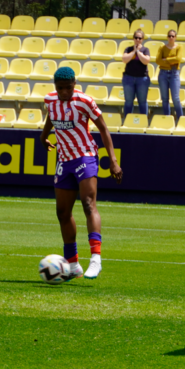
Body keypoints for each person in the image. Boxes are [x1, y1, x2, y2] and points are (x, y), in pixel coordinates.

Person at [40, 66, 122, 280]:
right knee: (62, 213)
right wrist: (43, 135)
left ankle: (96, 258)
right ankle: (73, 263)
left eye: (68, 88)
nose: (64, 92)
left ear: (74, 84)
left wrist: (113, 161)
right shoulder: (50, 99)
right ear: (55, 87)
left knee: (88, 203)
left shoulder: (84, 101)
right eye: (60, 88)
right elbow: (52, 117)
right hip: (63, 159)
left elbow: (103, 128)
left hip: (85, 156)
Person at [121, 29, 152, 117]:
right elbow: (124, 59)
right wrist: (134, 51)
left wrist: (138, 52)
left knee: (142, 101)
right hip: (129, 78)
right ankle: (127, 120)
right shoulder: (128, 49)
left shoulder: (145, 50)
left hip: (142, 79)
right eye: (136, 37)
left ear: (142, 39)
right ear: (133, 38)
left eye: (140, 38)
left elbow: (146, 61)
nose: (137, 39)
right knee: (128, 101)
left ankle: (144, 121)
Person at [155, 29, 183, 118]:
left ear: (175, 37)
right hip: (163, 73)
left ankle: (180, 118)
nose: (171, 38)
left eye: (173, 36)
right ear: (167, 37)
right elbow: (158, 60)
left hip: (174, 73)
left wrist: (165, 59)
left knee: (176, 98)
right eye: (169, 36)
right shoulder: (162, 47)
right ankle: (167, 118)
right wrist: (171, 60)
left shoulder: (179, 47)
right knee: (165, 99)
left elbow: (178, 59)